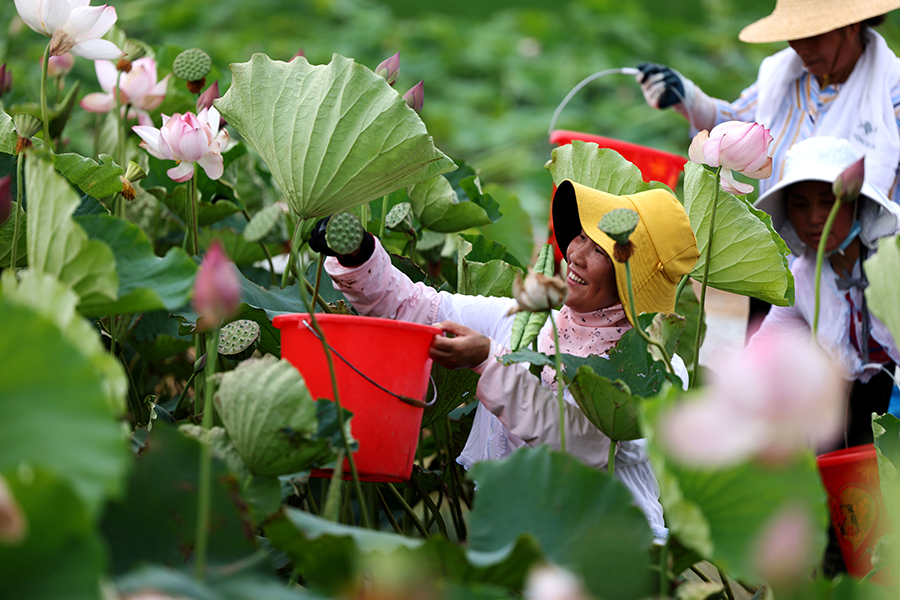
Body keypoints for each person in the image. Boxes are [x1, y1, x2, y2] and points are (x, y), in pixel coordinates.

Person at [313, 180, 700, 539]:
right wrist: (358, 254)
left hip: (608, 548)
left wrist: (489, 361)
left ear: (634, 278)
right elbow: (419, 309)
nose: (576, 255)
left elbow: (586, 443)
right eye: (581, 236)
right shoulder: (525, 321)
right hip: (516, 534)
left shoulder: (658, 368)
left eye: (600, 249)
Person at [636, 0, 900, 204]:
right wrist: (687, 95)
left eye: (813, 36)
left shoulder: (891, 91)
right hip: (781, 249)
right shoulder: (783, 74)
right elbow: (735, 129)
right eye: (794, 35)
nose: (801, 48)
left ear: (851, 26)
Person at [746, 136, 900, 449]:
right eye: (800, 205)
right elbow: (765, 347)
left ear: (855, 200)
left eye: (828, 202)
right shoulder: (803, 278)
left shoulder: (894, 255)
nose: (815, 218)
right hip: (851, 403)